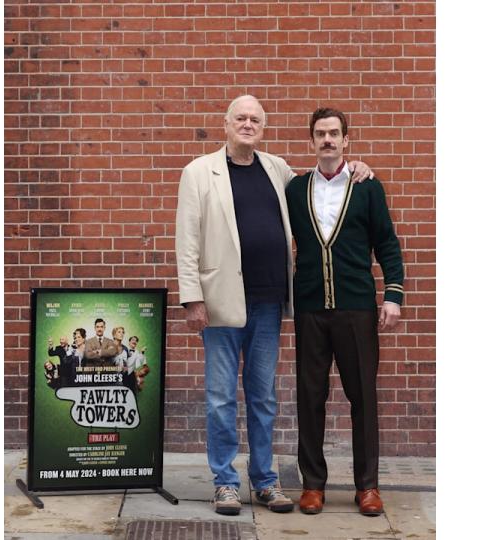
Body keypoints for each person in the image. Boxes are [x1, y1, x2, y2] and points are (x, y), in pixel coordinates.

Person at [174, 95, 375, 516]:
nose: (248, 124)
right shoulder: (198, 173)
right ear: (226, 124)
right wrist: (192, 298)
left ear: (263, 127)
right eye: (241, 118)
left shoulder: (276, 169)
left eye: (256, 119)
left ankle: (265, 481)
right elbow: (187, 239)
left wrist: (358, 166)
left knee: (264, 396)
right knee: (220, 397)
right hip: (221, 303)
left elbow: (321, 180)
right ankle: (226, 482)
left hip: (268, 303)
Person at [285, 108, 404, 517]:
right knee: (310, 396)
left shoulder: (368, 188)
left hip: (357, 308)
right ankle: (313, 484)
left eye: (335, 133)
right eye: (320, 134)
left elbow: (387, 243)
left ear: (346, 140)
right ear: (311, 142)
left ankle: (367, 485)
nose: (328, 140)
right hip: (311, 310)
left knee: (363, 398)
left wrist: (392, 295)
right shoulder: (295, 190)